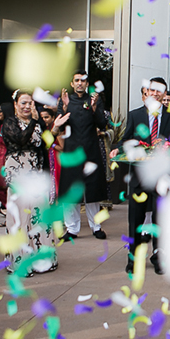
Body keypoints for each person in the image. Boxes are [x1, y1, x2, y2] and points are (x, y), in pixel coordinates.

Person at [110, 77, 170, 275]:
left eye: (160, 91)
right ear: (146, 93)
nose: (155, 94)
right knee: (136, 220)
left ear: (165, 94)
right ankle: (133, 259)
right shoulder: (135, 115)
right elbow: (125, 140)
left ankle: (159, 258)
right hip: (139, 177)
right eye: (152, 90)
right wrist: (117, 149)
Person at [2, 90, 66, 276]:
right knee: (21, 218)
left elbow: (43, 144)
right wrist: (34, 122)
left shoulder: (36, 124)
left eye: (30, 103)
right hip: (18, 176)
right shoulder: (10, 123)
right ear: (15, 104)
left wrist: (53, 129)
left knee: (38, 217)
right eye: (23, 103)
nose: (27, 106)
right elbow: (21, 140)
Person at [57, 72, 109, 241]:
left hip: (91, 149)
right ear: (72, 83)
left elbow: (102, 123)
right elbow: (59, 126)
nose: (80, 83)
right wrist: (64, 109)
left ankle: (96, 227)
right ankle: (71, 229)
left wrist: (94, 108)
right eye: (77, 80)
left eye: (83, 80)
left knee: (92, 191)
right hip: (71, 150)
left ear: (87, 84)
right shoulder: (65, 100)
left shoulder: (95, 99)